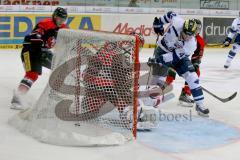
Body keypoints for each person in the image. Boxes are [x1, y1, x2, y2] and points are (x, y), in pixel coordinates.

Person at [148, 11, 209, 116]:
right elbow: (171, 14)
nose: (187, 37)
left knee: (192, 76)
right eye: (185, 33)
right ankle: (151, 101)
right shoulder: (177, 22)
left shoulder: (191, 45)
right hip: (162, 49)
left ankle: (200, 104)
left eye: (191, 35)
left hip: (176, 56)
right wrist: (159, 23)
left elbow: (173, 57)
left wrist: (157, 60)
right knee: (156, 86)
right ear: (183, 28)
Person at [11, 7, 68, 110]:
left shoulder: (64, 28)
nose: (61, 21)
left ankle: (54, 96)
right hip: (30, 51)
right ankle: (17, 99)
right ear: (54, 17)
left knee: (60, 69)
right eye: (59, 19)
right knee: (32, 74)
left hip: (43, 52)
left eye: (63, 19)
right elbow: (34, 36)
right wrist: (38, 40)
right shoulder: (46, 23)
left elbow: (68, 40)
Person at [165, 18, 205, 107]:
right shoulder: (179, 32)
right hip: (170, 56)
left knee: (195, 72)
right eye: (196, 28)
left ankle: (185, 93)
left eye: (199, 28)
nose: (197, 30)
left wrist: (195, 64)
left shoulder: (199, 41)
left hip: (182, 59)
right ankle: (161, 90)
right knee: (170, 72)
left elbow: (196, 56)